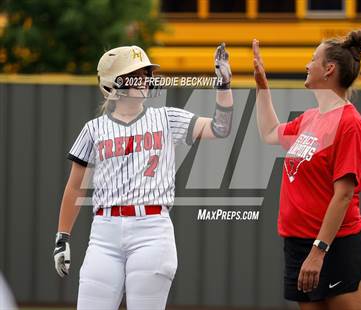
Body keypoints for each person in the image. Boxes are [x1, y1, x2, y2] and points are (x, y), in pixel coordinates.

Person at [53, 44, 233, 309]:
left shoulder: (167, 118)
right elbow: (75, 189)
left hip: (152, 230)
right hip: (104, 234)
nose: (146, 79)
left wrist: (224, 85)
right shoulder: (94, 129)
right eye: (137, 73)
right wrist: (62, 237)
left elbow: (221, 128)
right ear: (113, 83)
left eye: (146, 73)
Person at [253, 30, 361, 310]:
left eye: (313, 60)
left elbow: (344, 195)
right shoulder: (310, 118)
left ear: (329, 69)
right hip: (299, 245)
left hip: (335, 247)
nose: (307, 65)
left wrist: (319, 252)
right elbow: (270, 132)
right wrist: (262, 85)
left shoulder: (350, 124)